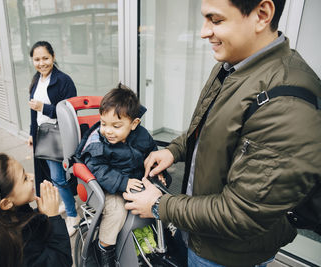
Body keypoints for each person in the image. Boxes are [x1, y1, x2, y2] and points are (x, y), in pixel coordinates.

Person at [123, 0, 321, 266]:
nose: (204, 31)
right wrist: (174, 150)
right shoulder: (232, 66)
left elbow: (243, 213)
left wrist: (160, 206)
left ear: (262, 15)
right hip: (199, 231)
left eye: (216, 20)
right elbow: (212, 128)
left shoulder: (285, 103)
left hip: (227, 255)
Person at [75, 84, 168, 267]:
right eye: (103, 123)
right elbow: (97, 168)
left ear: (134, 124)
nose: (108, 130)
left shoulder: (142, 136)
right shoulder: (98, 142)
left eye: (116, 126)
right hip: (108, 187)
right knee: (117, 213)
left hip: (135, 181)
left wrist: (158, 172)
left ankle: (163, 240)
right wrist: (122, 182)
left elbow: (151, 154)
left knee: (163, 200)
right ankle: (105, 250)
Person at [28, 41, 79, 236]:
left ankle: (73, 216)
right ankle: (68, 204)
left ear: (53, 57)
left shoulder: (64, 80)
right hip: (43, 134)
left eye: (45, 58)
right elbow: (33, 110)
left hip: (58, 135)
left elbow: (70, 111)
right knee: (52, 176)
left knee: (57, 177)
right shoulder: (36, 80)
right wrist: (32, 135)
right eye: (37, 59)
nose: (41, 63)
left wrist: (45, 108)